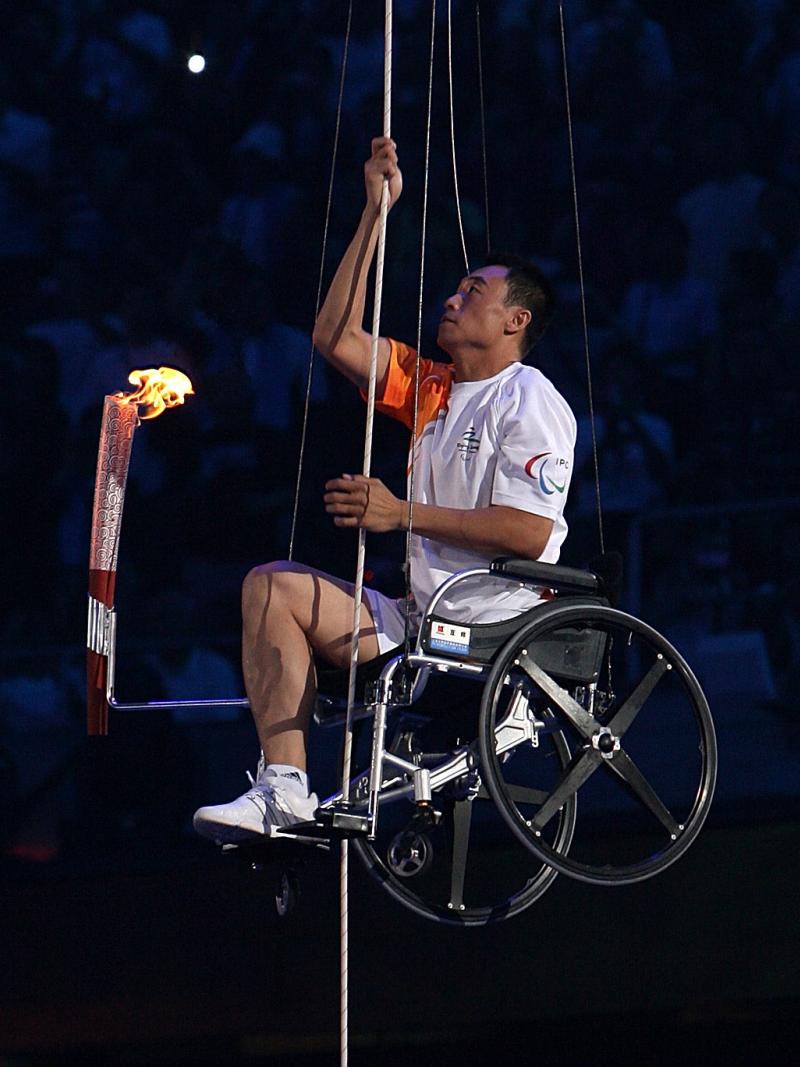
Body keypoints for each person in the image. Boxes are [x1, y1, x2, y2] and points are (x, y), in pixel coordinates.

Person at [193, 137, 576, 844]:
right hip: (420, 617)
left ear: (516, 321)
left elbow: (528, 533)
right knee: (269, 587)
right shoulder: (434, 386)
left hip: (487, 630)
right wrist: (375, 214)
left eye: (474, 293)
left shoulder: (529, 400)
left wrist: (400, 513)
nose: (453, 298)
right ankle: (284, 791)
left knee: (283, 586)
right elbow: (333, 335)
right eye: (457, 289)